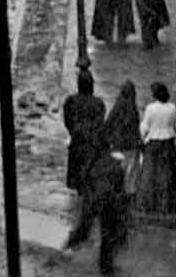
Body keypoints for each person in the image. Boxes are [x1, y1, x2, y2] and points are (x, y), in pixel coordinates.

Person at [66, 145, 128, 275]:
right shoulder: (117, 169)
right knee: (108, 237)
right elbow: (119, 193)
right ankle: (106, 269)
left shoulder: (95, 160)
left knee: (86, 228)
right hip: (106, 203)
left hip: (93, 199)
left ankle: (70, 244)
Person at [136, 82, 176, 215]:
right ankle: (168, 204)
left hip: (153, 142)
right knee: (168, 173)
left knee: (151, 173)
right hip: (168, 142)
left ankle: (150, 203)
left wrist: (142, 137)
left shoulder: (151, 108)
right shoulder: (172, 107)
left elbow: (144, 127)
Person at [63, 71, 107, 194]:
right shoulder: (99, 103)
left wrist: (74, 131)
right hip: (92, 142)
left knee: (76, 172)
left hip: (77, 140)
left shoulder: (70, 100)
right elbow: (100, 123)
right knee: (89, 173)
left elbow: (67, 121)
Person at [103, 80, 141, 202]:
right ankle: (128, 194)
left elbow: (108, 124)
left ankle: (114, 192)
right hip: (131, 146)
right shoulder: (134, 110)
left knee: (117, 169)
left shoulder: (117, 107)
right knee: (130, 173)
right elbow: (136, 130)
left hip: (117, 145)